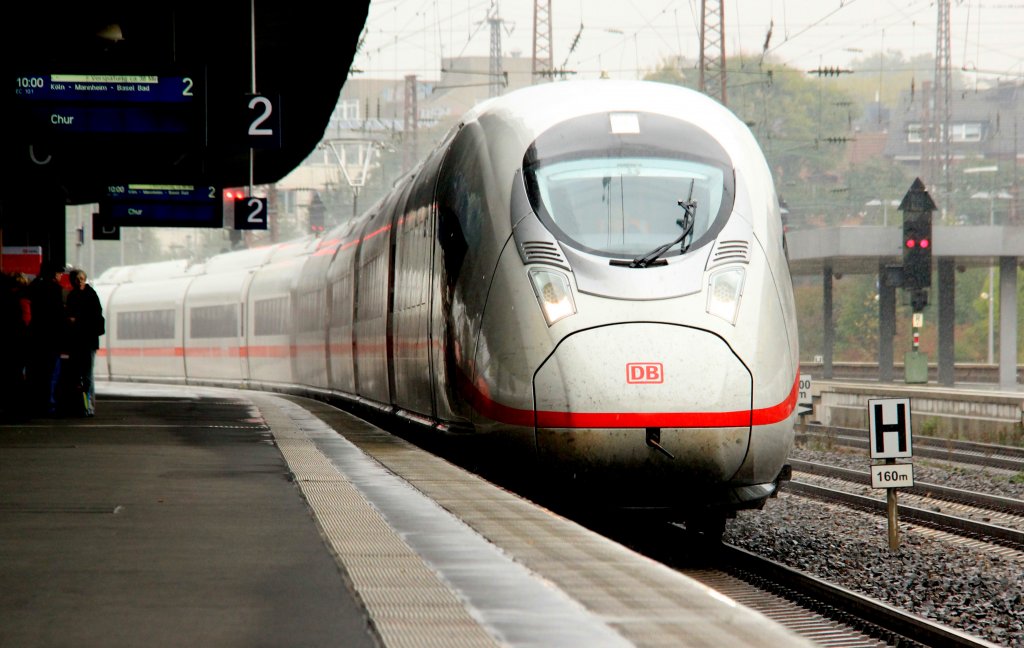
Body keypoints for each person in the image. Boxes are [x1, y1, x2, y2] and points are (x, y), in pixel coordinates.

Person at [27, 262, 66, 415]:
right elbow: (58, 317)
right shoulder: (55, 290)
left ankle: (36, 404)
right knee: (52, 374)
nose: (60, 275)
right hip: (52, 339)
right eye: (58, 273)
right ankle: (50, 405)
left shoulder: (35, 287)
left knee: (37, 373)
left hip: (36, 337)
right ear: (53, 274)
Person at [65, 269, 104, 416]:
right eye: (77, 278)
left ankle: (89, 407)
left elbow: (95, 317)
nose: (80, 281)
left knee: (87, 376)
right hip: (76, 341)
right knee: (78, 375)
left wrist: (77, 320)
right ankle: (81, 405)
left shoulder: (91, 295)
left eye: (82, 278)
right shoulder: (72, 296)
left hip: (88, 341)